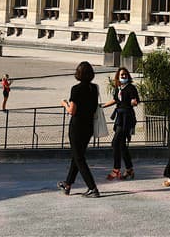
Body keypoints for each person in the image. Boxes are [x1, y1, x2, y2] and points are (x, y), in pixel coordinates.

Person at [58, 61, 100, 198]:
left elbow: (72, 111)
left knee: (79, 158)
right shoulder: (94, 88)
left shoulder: (76, 89)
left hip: (77, 127)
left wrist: (64, 104)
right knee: (77, 156)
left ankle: (92, 188)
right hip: (88, 126)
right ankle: (68, 183)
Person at [101, 67, 139, 180]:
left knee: (115, 143)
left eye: (125, 74)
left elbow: (135, 100)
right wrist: (102, 106)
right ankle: (129, 169)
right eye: (121, 75)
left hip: (127, 117)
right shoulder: (118, 88)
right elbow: (115, 100)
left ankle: (116, 170)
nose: (123, 76)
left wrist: (134, 102)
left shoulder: (131, 88)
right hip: (119, 117)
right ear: (118, 76)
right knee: (121, 145)